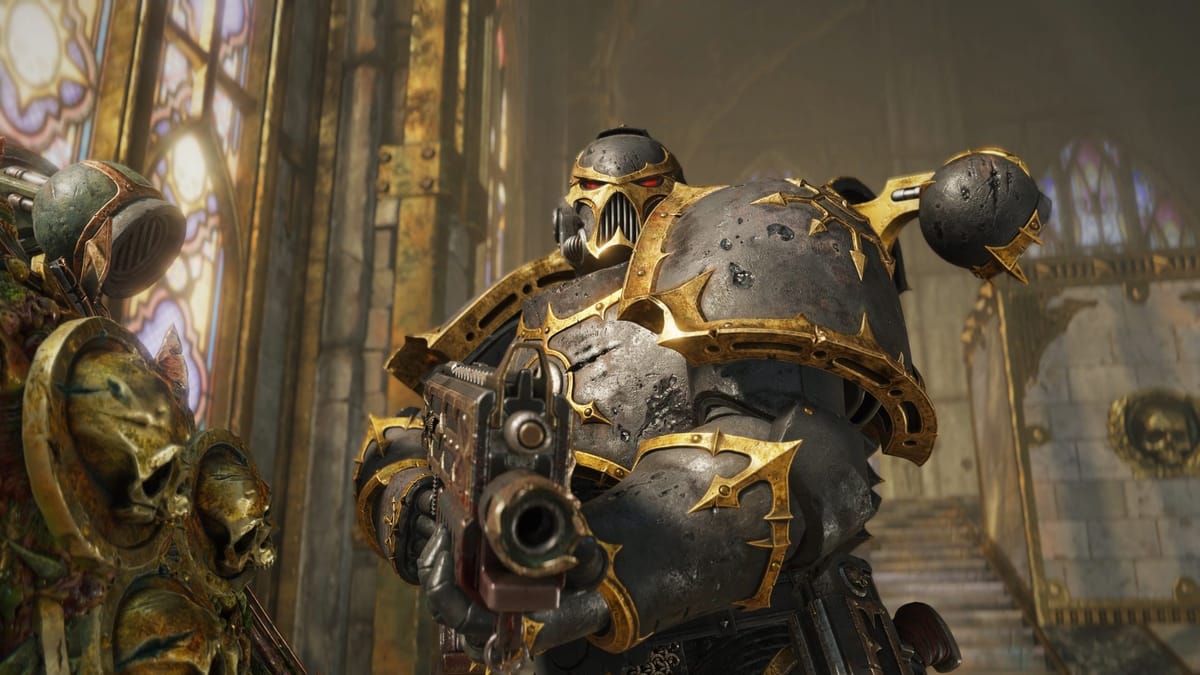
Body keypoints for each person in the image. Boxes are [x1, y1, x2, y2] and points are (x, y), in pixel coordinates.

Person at [353, 131, 1048, 674]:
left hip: (744, 645)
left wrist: (596, 558)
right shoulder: (521, 318)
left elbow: (795, 467)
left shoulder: (737, 250)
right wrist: (419, 512)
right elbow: (398, 441)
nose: (597, 216)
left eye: (615, 196)